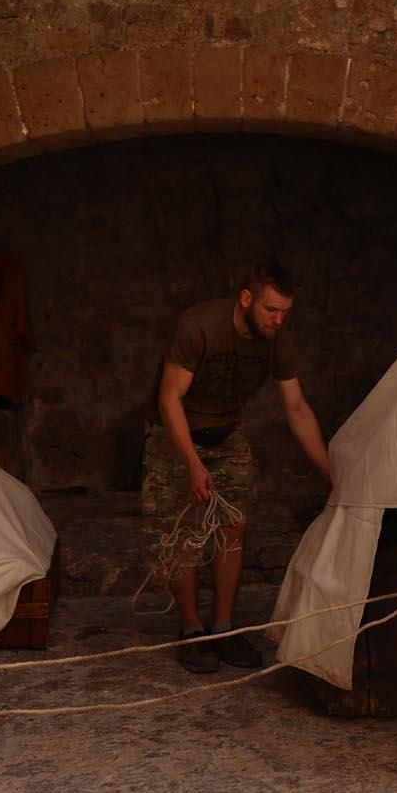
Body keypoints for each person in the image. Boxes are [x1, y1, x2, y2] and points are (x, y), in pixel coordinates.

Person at [145, 261, 331, 674]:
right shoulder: (199, 326)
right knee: (185, 532)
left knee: (233, 527)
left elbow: (297, 409)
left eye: (285, 312)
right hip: (175, 437)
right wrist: (192, 464)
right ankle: (193, 632)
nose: (278, 320)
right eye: (270, 310)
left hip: (227, 436)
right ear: (246, 299)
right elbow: (169, 399)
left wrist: (332, 475)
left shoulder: (277, 339)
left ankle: (224, 629)